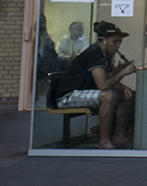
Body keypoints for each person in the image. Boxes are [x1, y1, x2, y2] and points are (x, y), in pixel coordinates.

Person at [53, 21, 139, 150]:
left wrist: (123, 87)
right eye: (114, 42)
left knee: (126, 96)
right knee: (107, 96)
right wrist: (123, 73)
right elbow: (103, 85)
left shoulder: (106, 55)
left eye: (120, 42)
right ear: (104, 40)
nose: (118, 46)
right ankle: (104, 141)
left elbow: (109, 77)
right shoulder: (95, 54)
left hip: (82, 91)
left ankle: (119, 136)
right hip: (69, 95)